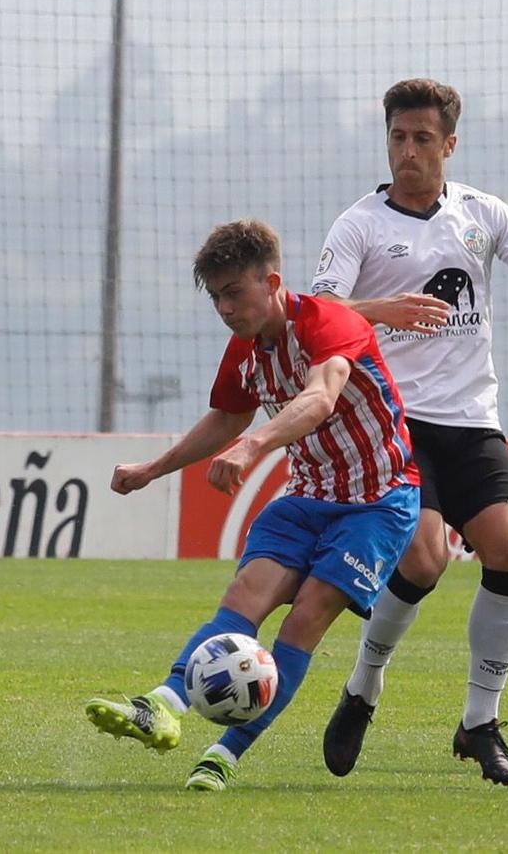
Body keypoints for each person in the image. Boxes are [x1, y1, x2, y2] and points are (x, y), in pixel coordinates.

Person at [309, 78, 508, 786]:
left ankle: (480, 722)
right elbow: (319, 315)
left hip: (473, 419)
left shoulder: (483, 215)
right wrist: (381, 309)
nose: (408, 152)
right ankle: (363, 687)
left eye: (423, 139)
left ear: (449, 145)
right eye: (398, 138)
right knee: (424, 560)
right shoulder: (359, 224)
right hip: (394, 419)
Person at [83, 218, 419, 791]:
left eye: (234, 292)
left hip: (377, 502)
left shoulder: (329, 321)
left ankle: (222, 755)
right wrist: (152, 469)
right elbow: (227, 417)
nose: (225, 308)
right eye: (215, 296)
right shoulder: (244, 349)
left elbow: (320, 396)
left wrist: (255, 446)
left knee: (306, 616)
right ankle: (158, 706)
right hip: (308, 497)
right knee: (243, 598)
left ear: (272, 282)